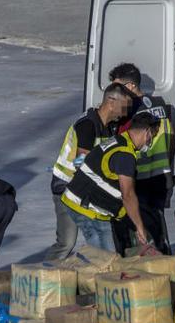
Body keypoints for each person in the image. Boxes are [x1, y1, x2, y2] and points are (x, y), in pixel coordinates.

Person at [44, 83, 131, 260]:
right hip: (66, 188)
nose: (125, 112)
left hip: (83, 189)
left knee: (99, 239)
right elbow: (82, 164)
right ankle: (44, 277)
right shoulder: (87, 126)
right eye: (124, 106)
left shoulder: (106, 127)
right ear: (111, 102)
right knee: (66, 242)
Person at [61, 112, 160, 253]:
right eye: (153, 136)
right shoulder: (125, 155)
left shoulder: (119, 140)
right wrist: (140, 227)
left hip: (86, 204)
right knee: (104, 258)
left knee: (106, 256)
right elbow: (128, 195)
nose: (151, 141)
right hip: (86, 208)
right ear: (147, 132)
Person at [109, 63, 175, 254]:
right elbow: (172, 142)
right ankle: (165, 262)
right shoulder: (160, 105)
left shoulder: (129, 111)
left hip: (139, 179)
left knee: (140, 230)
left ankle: (148, 268)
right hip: (162, 177)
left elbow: (122, 147)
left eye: (118, 86)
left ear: (130, 87)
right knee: (159, 227)